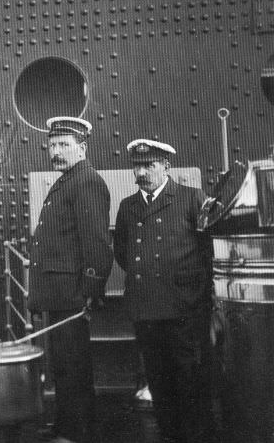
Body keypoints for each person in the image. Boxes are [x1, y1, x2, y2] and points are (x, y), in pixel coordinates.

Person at [113, 139, 216, 443]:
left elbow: (208, 249)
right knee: (158, 381)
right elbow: (123, 252)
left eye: (149, 165)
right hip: (146, 310)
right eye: (137, 165)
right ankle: (170, 436)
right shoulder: (128, 207)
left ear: (166, 166)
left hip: (183, 309)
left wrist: (196, 292)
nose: (141, 172)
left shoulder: (190, 198)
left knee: (189, 380)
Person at [27, 116, 113, 443]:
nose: (56, 151)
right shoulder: (68, 180)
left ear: (82, 148)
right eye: (52, 145)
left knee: (73, 366)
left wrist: (91, 289)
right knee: (64, 364)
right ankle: (67, 426)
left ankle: (76, 432)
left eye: (64, 145)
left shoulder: (86, 181)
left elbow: (96, 241)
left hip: (72, 293)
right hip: (60, 292)